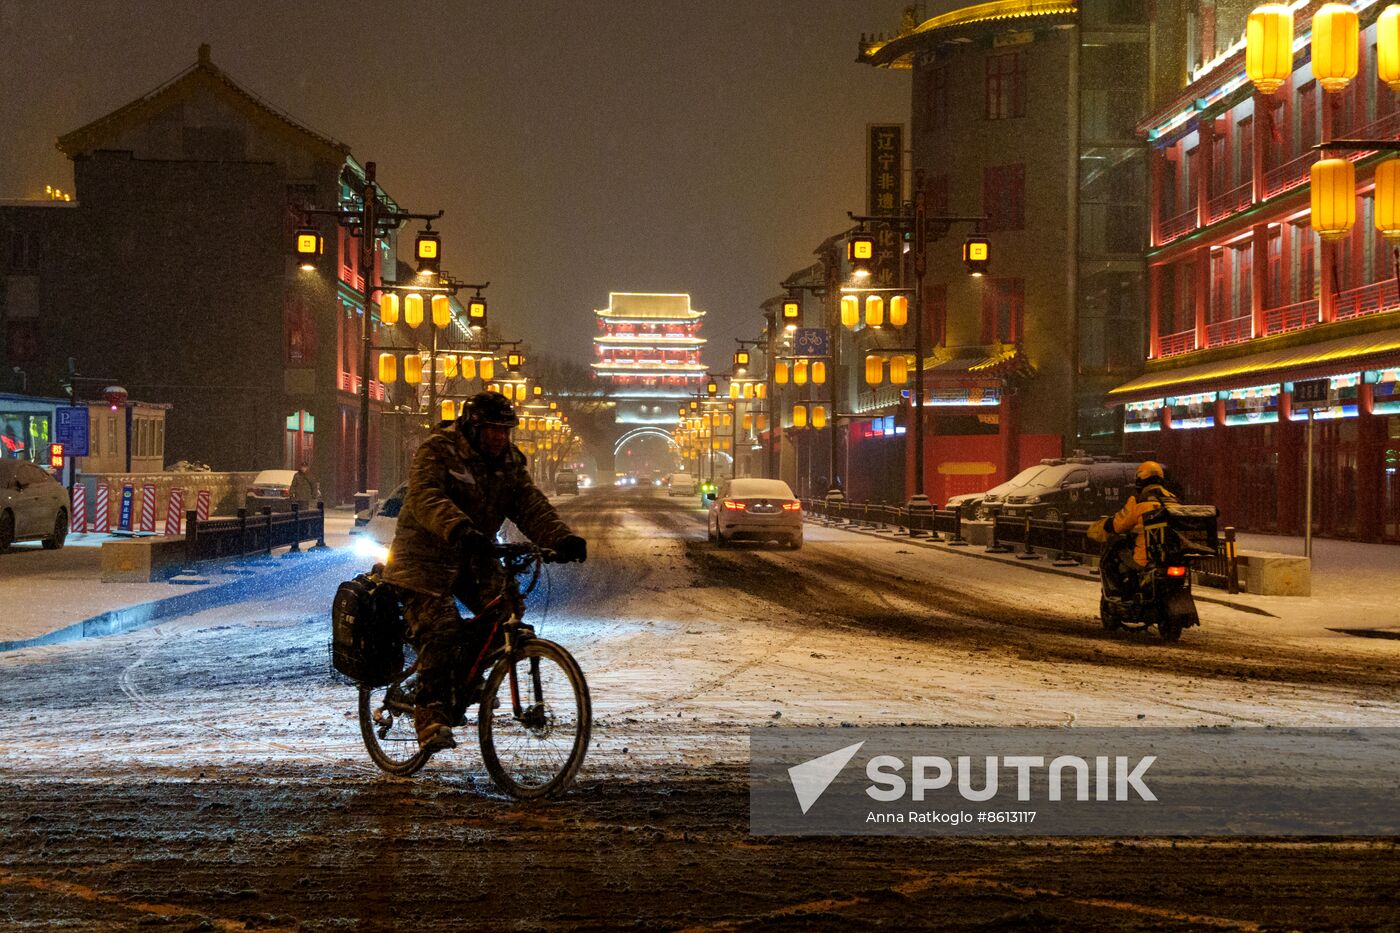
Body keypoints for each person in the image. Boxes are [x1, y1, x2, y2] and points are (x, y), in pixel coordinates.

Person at [383, 391, 587, 755]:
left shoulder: (508, 462)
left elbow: (529, 504)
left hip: (473, 553)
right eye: (493, 430)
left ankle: (463, 678)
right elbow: (425, 496)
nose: (500, 437)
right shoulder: (439, 450)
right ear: (474, 428)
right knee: (441, 625)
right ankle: (430, 712)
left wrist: (562, 539)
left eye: (505, 430)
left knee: (507, 610)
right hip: (423, 557)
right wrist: (458, 528)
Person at [1106, 460, 1178, 579]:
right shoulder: (1174, 500)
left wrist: (1108, 524)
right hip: (1172, 558)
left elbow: (1119, 526)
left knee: (1117, 560)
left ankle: (1125, 594)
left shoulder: (1138, 501)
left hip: (1145, 560)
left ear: (1140, 479)